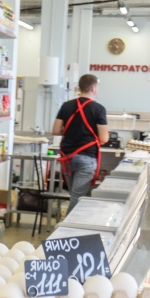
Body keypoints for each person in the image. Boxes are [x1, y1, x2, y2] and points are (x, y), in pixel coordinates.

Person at [52, 74, 109, 211]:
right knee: (77, 197)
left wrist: (72, 132)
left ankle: (69, 228)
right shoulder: (98, 109)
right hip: (87, 158)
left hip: (67, 158)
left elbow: (55, 130)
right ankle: (68, 230)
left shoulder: (66, 106)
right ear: (93, 88)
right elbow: (104, 138)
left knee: (74, 195)